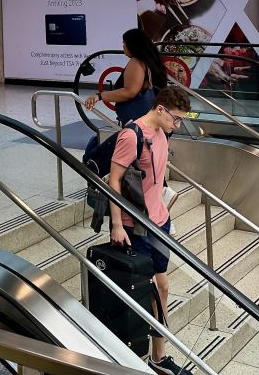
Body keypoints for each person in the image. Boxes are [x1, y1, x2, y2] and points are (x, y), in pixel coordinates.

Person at [108, 85, 192, 375]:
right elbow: (114, 180)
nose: (177, 124)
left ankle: (158, 358)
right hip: (137, 226)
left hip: (159, 221)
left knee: (162, 287)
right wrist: (118, 224)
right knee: (158, 288)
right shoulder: (132, 135)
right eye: (176, 118)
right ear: (160, 109)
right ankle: (154, 357)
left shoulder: (162, 133)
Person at [85, 28, 168, 123]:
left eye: (124, 43)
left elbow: (129, 92)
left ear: (132, 45)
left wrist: (99, 96)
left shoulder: (137, 62)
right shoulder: (152, 60)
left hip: (139, 120)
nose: (123, 47)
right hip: (154, 116)